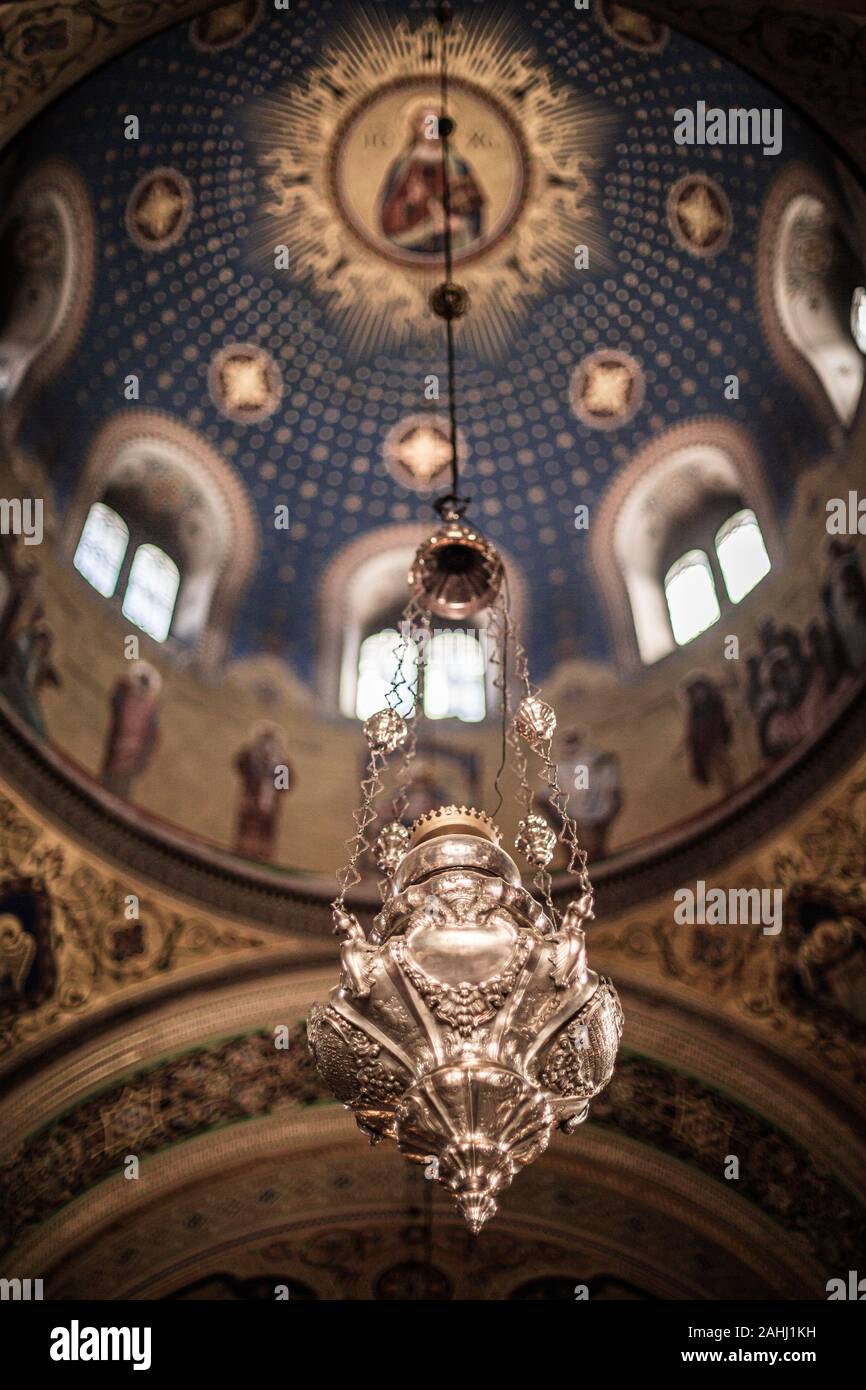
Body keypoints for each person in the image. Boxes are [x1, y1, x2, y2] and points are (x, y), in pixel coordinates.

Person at [378, 101, 484, 256]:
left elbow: (472, 207)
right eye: (425, 121)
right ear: (416, 126)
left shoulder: (456, 164)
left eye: (436, 121)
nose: (430, 127)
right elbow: (388, 209)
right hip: (412, 241)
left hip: (449, 240)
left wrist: (459, 222)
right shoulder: (402, 164)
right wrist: (409, 201)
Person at [100, 661, 162, 799]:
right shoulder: (127, 699)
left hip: (129, 764)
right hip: (116, 757)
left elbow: (152, 740)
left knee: (118, 793)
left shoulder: (150, 711)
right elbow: (115, 698)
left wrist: (141, 763)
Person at [234, 723, 292, 861]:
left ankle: (262, 857)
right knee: (246, 832)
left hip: (269, 808)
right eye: (265, 741)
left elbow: (283, 787)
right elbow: (240, 765)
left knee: (265, 837)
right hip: (250, 803)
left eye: (271, 742)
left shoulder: (281, 763)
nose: (267, 746)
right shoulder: (251, 758)